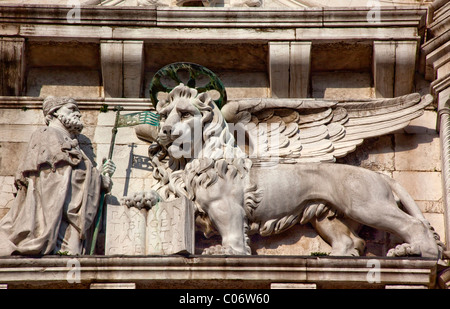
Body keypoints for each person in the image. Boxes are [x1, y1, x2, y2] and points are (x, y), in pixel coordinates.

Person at [0, 96, 116, 255]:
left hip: (64, 217)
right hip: (54, 217)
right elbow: (55, 178)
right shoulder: (48, 133)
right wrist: (98, 179)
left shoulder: (67, 141)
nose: (78, 114)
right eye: (72, 109)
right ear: (54, 112)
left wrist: (97, 176)